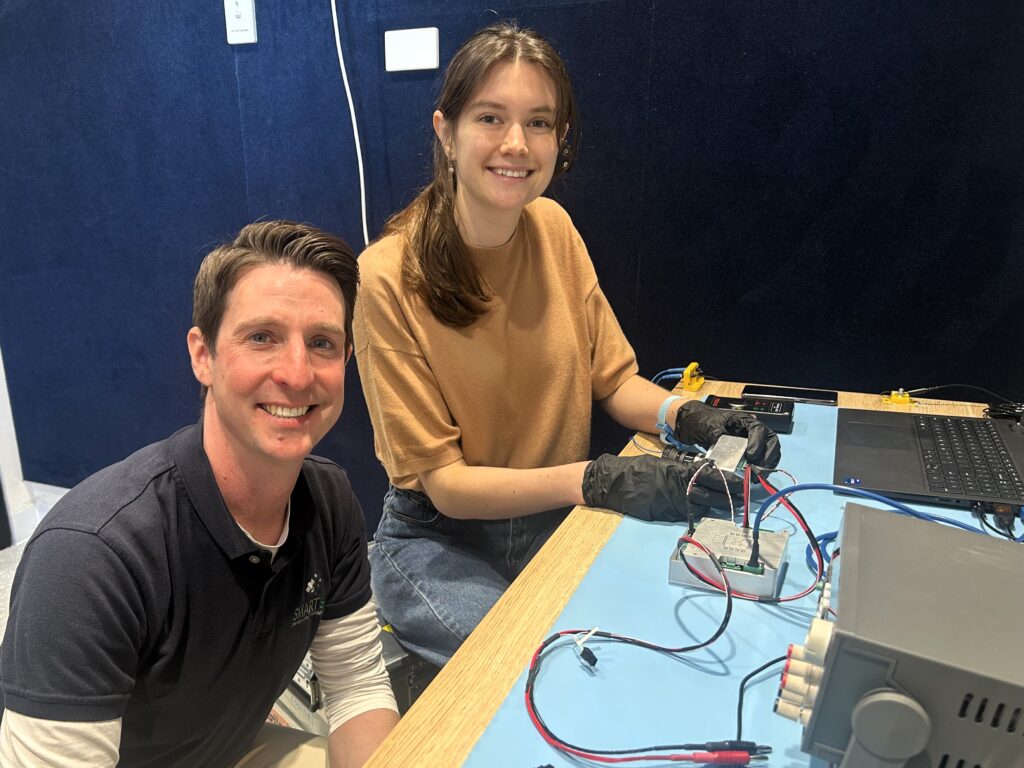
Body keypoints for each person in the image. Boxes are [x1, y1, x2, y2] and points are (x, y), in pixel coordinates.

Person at [352, 21, 781, 667]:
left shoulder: (554, 228)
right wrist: (598, 479)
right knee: (543, 668)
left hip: (555, 514)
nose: (517, 144)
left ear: (562, 139)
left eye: (541, 123)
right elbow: (446, 486)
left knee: (660, 643)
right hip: (440, 542)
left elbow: (612, 379)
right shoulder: (385, 276)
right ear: (446, 132)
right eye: (491, 118)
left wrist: (687, 415)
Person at [0, 221, 399, 766]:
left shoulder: (329, 500)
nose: (297, 373)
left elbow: (356, 687)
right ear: (202, 356)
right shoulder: (90, 560)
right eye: (262, 337)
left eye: (322, 343)